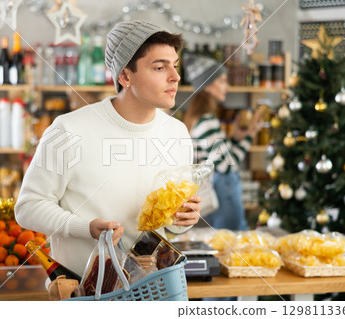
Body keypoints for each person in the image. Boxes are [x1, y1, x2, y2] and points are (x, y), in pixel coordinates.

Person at [15, 20, 201, 277]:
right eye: (160, 67)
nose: (175, 77)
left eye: (175, 66)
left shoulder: (177, 132)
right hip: (81, 294)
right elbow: (28, 207)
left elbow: (171, 222)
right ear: (125, 76)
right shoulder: (68, 130)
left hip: (154, 289)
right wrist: (85, 227)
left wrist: (184, 219)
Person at [182, 53, 262, 231]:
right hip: (223, 191)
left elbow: (221, 158)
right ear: (209, 86)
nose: (227, 87)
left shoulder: (199, 118)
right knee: (231, 241)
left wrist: (236, 138)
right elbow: (227, 167)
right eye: (222, 81)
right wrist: (250, 135)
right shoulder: (206, 121)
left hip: (217, 190)